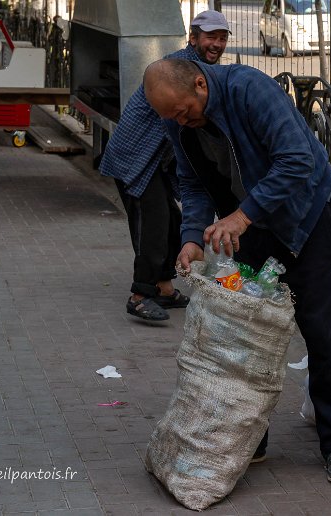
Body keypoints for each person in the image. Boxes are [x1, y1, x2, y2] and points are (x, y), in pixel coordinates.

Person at [143, 58, 331, 485]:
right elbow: (191, 181)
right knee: (244, 332)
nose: (181, 123)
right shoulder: (176, 118)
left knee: (326, 328)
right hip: (246, 222)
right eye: (172, 117)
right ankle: (249, 437)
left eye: (184, 112)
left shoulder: (251, 90)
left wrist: (242, 217)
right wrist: (191, 237)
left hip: (307, 216)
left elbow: (297, 161)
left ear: (201, 85)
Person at [99, 11, 231, 321]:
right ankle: (140, 294)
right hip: (134, 157)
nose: (217, 44)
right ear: (193, 38)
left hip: (156, 160)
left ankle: (163, 287)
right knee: (153, 223)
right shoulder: (179, 70)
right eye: (210, 37)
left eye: (222, 38)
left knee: (172, 220)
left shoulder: (202, 70)